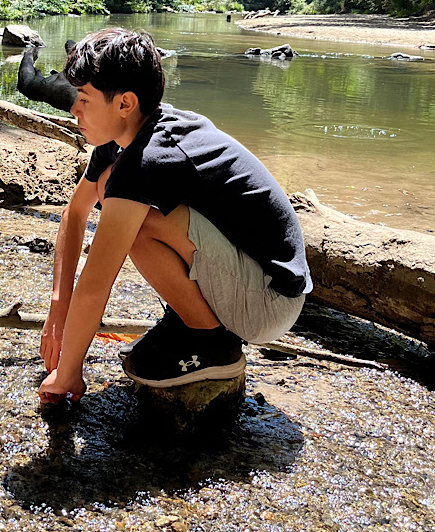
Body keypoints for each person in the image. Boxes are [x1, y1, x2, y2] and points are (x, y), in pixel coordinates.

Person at [38, 28, 311, 404]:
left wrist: (68, 372)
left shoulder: (150, 156)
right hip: (249, 274)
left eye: (84, 99)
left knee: (132, 222)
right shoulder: (127, 136)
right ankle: (191, 321)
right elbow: (75, 211)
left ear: (125, 103)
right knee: (107, 187)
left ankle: (212, 342)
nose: (74, 109)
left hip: (268, 303)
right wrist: (58, 308)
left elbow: (97, 282)